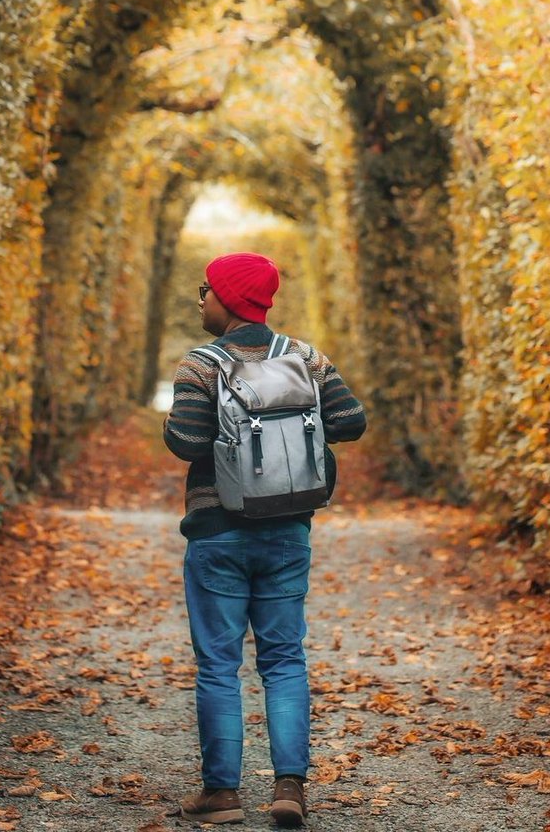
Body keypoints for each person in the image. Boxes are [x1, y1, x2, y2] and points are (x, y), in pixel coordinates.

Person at [164, 252, 366, 827]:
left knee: (218, 664)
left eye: (207, 289)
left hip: (217, 532)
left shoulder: (202, 365)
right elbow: (351, 421)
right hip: (287, 531)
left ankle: (222, 794)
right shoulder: (304, 358)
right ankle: (288, 790)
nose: (200, 298)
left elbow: (185, 440)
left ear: (228, 298)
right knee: (283, 659)